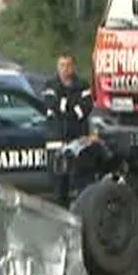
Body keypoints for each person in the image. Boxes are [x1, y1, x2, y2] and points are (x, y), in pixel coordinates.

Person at [42, 55, 94, 206]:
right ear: (57, 67)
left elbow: (86, 108)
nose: (65, 69)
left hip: (77, 141)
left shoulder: (82, 86)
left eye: (68, 65)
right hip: (56, 142)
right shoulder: (50, 86)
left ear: (73, 67)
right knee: (59, 188)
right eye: (62, 65)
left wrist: (64, 106)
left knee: (80, 184)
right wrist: (73, 108)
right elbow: (52, 105)